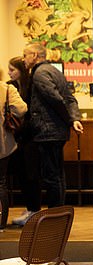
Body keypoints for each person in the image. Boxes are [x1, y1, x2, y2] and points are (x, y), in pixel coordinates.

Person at [20, 43, 83, 219]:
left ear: (34, 55)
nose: (23, 59)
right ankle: (59, 213)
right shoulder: (54, 71)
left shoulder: (40, 73)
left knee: (51, 176)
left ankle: (55, 216)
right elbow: (69, 98)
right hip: (56, 131)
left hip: (47, 131)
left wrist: (71, 120)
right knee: (57, 174)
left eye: (25, 55)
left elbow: (55, 99)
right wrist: (74, 118)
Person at [7, 56, 40, 227]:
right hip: (16, 137)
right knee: (22, 174)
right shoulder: (9, 87)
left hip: (29, 137)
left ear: (21, 71)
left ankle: (33, 209)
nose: (9, 73)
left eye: (13, 69)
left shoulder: (31, 87)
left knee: (30, 174)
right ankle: (30, 208)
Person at [0, 78, 27, 230]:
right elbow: (21, 109)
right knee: (1, 183)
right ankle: (1, 223)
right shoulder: (6, 89)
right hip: (2, 144)